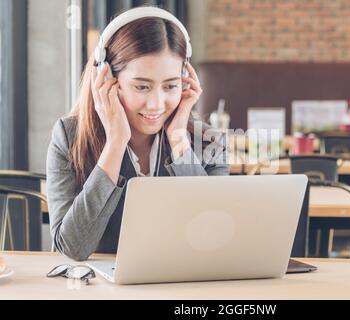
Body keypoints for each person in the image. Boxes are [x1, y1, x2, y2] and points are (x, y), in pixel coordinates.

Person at [46, 7, 229, 261]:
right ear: (106, 80)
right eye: (142, 86)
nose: (156, 103)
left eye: (170, 86)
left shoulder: (208, 142)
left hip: (184, 288)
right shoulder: (69, 137)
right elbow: (73, 247)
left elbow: (214, 235)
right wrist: (115, 144)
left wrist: (179, 140)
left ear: (185, 81)